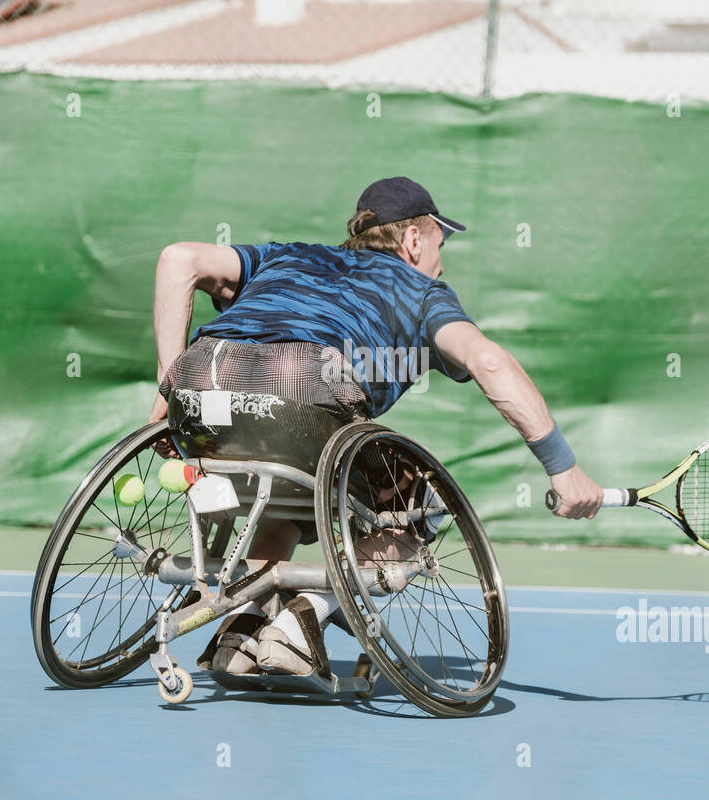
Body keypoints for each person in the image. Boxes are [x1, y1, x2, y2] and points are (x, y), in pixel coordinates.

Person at [149, 176, 603, 676]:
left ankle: (242, 633)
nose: (441, 258)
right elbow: (489, 363)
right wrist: (563, 467)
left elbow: (177, 259)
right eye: (439, 242)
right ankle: (301, 623)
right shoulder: (422, 291)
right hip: (304, 387)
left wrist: (167, 394)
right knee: (423, 502)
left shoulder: (289, 256)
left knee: (288, 496)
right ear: (413, 240)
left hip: (201, 384)